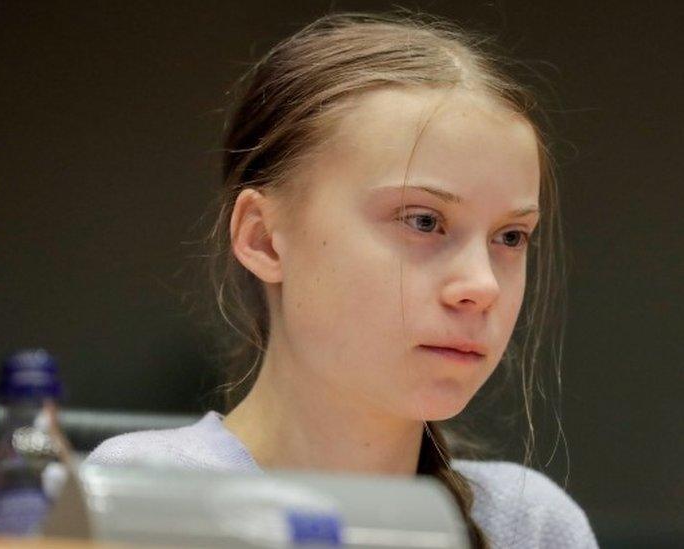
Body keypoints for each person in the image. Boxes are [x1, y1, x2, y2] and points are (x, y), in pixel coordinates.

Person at [86, 10, 599, 549]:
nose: (482, 285)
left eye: (511, 237)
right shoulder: (146, 494)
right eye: (423, 221)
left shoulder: (531, 526)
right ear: (263, 238)